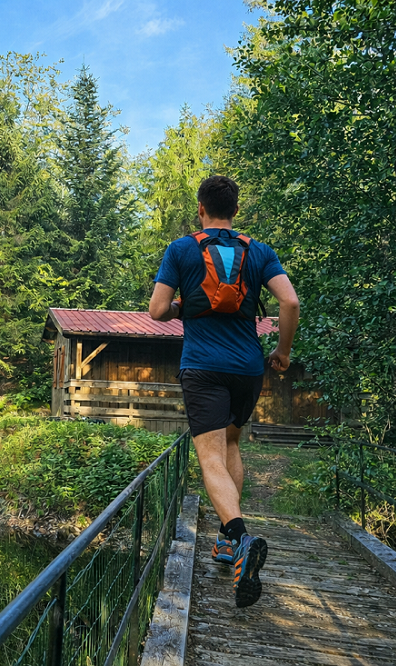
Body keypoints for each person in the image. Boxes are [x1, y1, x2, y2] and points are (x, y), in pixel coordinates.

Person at [149, 175, 299, 608]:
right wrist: (283, 352)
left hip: (203, 368)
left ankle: (241, 537)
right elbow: (289, 303)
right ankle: (224, 543)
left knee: (210, 457)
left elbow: (157, 310)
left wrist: (183, 307)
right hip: (248, 369)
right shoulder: (259, 251)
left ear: (201, 208)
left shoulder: (182, 249)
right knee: (231, 443)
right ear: (235, 210)